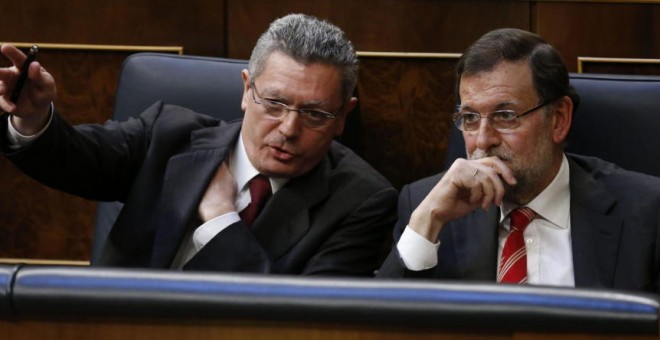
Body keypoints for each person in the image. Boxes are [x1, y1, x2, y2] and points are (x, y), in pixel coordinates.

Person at [0, 14, 397, 276]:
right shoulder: (167, 135)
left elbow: (298, 317)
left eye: (315, 114)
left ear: (344, 115)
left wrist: (221, 216)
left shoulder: (362, 201)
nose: (289, 129)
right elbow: (73, 158)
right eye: (273, 104)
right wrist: (32, 117)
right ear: (246, 91)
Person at [378, 28, 660, 292]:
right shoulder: (427, 206)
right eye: (470, 118)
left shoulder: (646, 213)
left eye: (505, 116)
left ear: (558, 119)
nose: (483, 140)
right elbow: (379, 325)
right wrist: (427, 222)